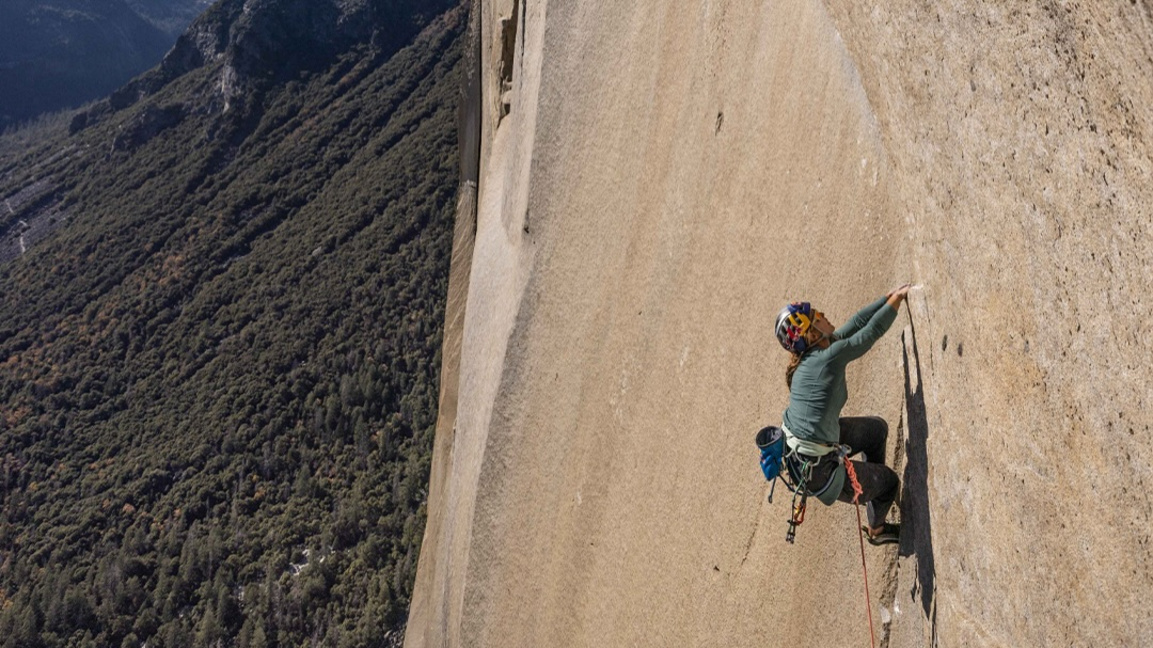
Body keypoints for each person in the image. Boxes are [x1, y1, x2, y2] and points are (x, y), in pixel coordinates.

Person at [774, 284, 912, 545]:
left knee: (877, 431)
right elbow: (870, 333)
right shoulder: (827, 357)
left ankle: (873, 487)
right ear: (812, 332)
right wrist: (899, 300)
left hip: (812, 450)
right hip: (819, 472)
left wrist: (886, 298)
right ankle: (877, 531)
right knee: (890, 482)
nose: (823, 313)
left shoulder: (819, 351)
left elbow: (857, 323)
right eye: (817, 315)